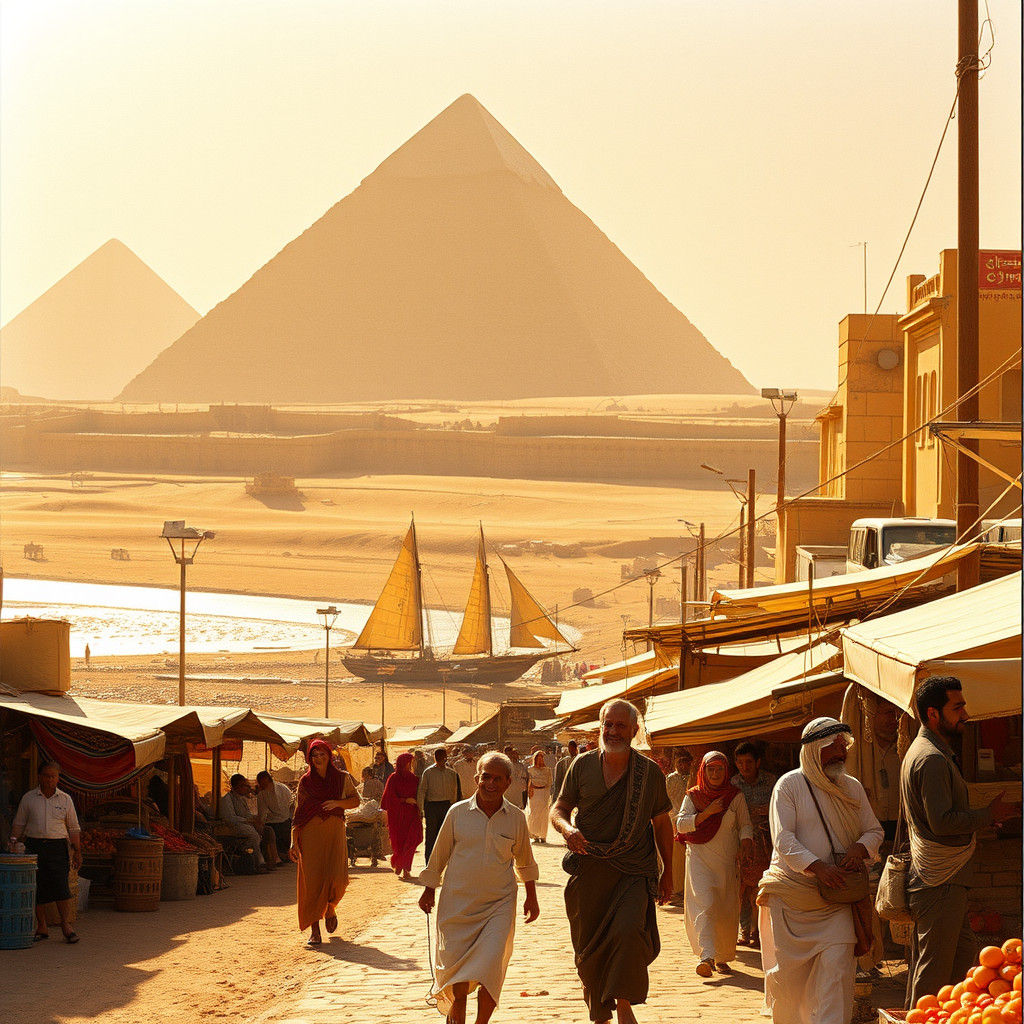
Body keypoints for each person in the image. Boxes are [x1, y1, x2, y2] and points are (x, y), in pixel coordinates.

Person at [550, 699, 674, 1024]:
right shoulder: (582, 766)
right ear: (600, 727)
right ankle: (599, 1010)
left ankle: (623, 1004)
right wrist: (567, 829)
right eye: (609, 725)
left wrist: (669, 873)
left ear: (635, 730)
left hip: (634, 870)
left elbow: (662, 823)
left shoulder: (649, 773)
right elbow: (558, 808)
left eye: (621, 726)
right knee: (589, 949)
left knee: (629, 930)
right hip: (590, 871)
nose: (614, 731)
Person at [901, 676, 1019, 1008]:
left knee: (961, 969)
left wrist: (986, 817)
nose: (965, 714)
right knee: (933, 974)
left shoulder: (933, 752)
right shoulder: (932, 759)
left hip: (946, 881)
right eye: (958, 707)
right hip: (939, 882)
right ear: (933, 713)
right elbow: (942, 822)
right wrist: (986, 814)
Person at [757, 717, 884, 1024]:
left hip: (838, 899)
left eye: (844, 747)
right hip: (793, 899)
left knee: (837, 976)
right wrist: (818, 868)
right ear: (814, 750)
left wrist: (858, 849)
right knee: (791, 983)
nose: (841, 753)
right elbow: (783, 839)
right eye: (834, 747)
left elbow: (874, 831)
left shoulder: (852, 787)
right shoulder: (789, 785)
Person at [418, 752, 540, 1024]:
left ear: (508, 783)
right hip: (456, 907)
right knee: (458, 979)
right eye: (486, 777)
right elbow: (438, 855)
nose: (491, 783)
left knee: (490, 970)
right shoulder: (457, 813)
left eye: (498, 778)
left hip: (498, 906)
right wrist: (429, 889)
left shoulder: (516, 818)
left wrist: (532, 898)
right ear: (476, 779)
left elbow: (525, 861)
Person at [677, 751, 754, 977]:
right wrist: (706, 814)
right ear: (703, 770)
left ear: (726, 771)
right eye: (710, 769)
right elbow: (681, 825)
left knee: (724, 908)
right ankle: (706, 956)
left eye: (719, 769)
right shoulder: (693, 796)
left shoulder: (735, 796)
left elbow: (745, 824)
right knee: (706, 904)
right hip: (699, 860)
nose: (715, 773)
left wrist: (746, 843)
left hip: (727, 863)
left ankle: (721, 957)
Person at [289, 739, 360, 946]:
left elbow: (355, 800)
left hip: (334, 832)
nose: (318, 759)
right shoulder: (305, 781)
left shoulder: (342, 779)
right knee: (312, 882)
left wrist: (338, 803)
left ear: (330, 756)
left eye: (322, 754)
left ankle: (330, 907)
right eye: (314, 755)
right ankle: (315, 930)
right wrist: (293, 842)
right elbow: (299, 812)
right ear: (309, 758)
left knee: (338, 878)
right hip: (310, 834)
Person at [10, 760, 82, 943]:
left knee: (61, 886)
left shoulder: (65, 799)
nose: (50, 780)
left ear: (58, 778)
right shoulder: (29, 798)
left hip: (57, 847)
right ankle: (41, 926)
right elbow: (19, 824)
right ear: (39, 777)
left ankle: (66, 925)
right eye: (46, 776)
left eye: (53, 776)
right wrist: (13, 843)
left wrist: (78, 851)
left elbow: (73, 828)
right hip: (34, 846)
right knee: (36, 886)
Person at [732, 741, 776, 947]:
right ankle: (743, 930)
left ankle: (759, 932)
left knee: (763, 887)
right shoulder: (732, 785)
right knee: (742, 889)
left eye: (748, 762)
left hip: (767, 844)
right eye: (740, 762)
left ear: (758, 762)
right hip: (742, 843)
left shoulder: (771, 782)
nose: (744, 767)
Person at [380, 752, 424, 880]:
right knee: (399, 842)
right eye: (409, 762)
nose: (411, 765)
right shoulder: (393, 778)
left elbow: (419, 796)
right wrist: (405, 800)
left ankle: (401, 864)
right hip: (397, 815)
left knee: (414, 839)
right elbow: (390, 798)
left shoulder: (414, 778)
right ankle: (404, 868)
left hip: (412, 815)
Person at [220, 774, 271, 874]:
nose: (247, 788)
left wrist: (255, 819)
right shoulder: (227, 799)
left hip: (244, 824)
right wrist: (247, 821)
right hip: (232, 827)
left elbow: (247, 815)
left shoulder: (242, 799)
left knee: (267, 830)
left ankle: (270, 860)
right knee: (253, 835)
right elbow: (230, 818)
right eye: (245, 786)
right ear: (238, 787)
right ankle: (258, 863)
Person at [419, 747, 462, 861]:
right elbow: (422, 790)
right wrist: (421, 809)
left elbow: (456, 791)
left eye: (442, 758)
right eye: (438, 758)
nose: (440, 760)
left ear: (445, 758)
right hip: (432, 807)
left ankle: (445, 861)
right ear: (434, 758)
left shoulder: (452, 773)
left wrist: (455, 808)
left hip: (447, 806)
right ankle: (429, 862)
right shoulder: (428, 772)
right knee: (431, 836)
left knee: (445, 836)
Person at [665, 750, 693, 906]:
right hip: (673, 821)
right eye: (680, 762)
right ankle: (675, 892)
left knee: (685, 858)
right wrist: (673, 819)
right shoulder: (671, 779)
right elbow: (667, 801)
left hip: (688, 821)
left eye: (686, 762)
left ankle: (684, 891)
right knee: (675, 859)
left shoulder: (692, 778)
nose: (683, 765)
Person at [256, 770, 295, 865]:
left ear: (268, 780)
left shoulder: (283, 788)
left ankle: (284, 855)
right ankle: (276, 857)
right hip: (272, 820)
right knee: (270, 832)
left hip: (286, 819)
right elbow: (262, 812)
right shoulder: (262, 794)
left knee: (285, 831)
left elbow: (291, 805)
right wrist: (260, 822)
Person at [526, 750, 552, 843]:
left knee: (543, 814)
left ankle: (543, 835)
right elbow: (528, 782)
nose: (540, 759)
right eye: (538, 757)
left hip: (544, 793)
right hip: (534, 793)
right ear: (535, 758)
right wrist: (529, 792)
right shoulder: (530, 769)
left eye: (542, 757)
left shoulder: (547, 770)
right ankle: (535, 835)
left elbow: (549, 782)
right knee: (534, 814)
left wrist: (548, 795)